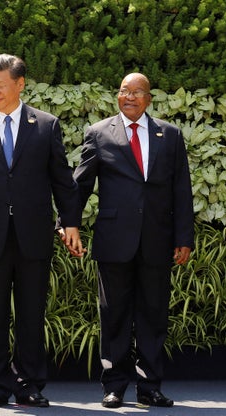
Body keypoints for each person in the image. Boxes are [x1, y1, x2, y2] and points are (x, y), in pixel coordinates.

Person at [0, 54, 83, 409]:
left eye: (0, 85)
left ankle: (29, 384)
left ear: (20, 84)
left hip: (33, 233)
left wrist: (69, 222)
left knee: (31, 313)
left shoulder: (46, 124)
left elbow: (62, 180)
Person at [72, 73, 194, 408]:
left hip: (158, 238)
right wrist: (68, 223)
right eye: (124, 91)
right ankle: (114, 386)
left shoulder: (169, 135)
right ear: (118, 95)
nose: (130, 96)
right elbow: (80, 185)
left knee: (153, 316)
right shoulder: (98, 133)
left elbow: (181, 189)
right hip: (114, 240)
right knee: (114, 315)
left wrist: (184, 236)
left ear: (149, 98)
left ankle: (149, 386)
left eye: (137, 92)